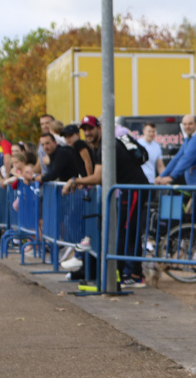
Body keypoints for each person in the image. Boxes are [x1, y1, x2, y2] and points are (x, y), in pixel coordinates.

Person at [64, 115, 151, 288]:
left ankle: (134, 275)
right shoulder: (100, 147)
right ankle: (120, 274)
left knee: (127, 232)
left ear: (99, 128)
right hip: (129, 191)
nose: (88, 133)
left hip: (135, 190)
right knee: (124, 232)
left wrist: (74, 181)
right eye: (85, 130)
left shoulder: (106, 145)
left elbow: (97, 178)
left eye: (90, 128)